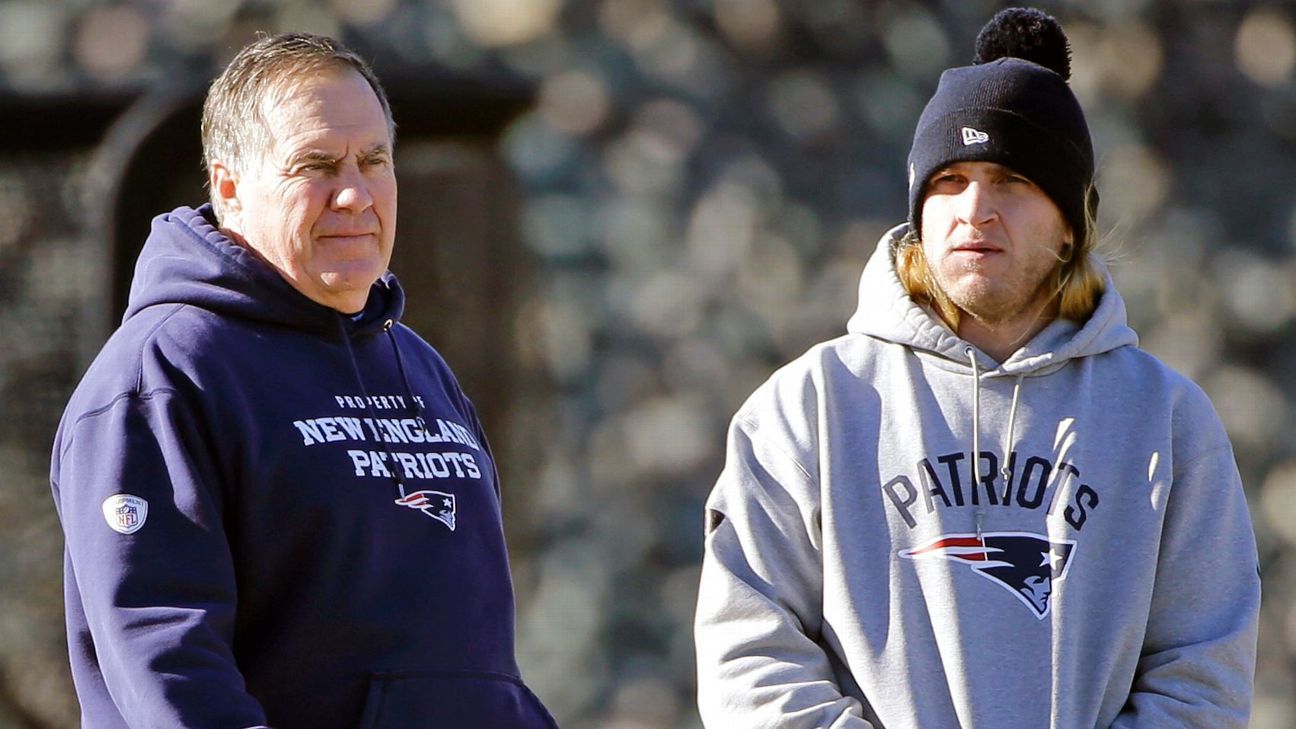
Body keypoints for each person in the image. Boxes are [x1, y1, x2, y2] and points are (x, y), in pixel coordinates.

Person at [694, 8, 1260, 728]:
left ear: (1069, 223)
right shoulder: (806, 410)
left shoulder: (1168, 422)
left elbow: (1202, 679)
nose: (975, 209)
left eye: (1011, 180)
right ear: (917, 209)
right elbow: (748, 659)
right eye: (949, 180)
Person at [50, 32, 557, 729]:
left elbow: (474, 662)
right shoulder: (162, 376)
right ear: (228, 186)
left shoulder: (417, 363)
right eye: (316, 164)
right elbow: (169, 663)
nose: (354, 193)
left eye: (373, 160)